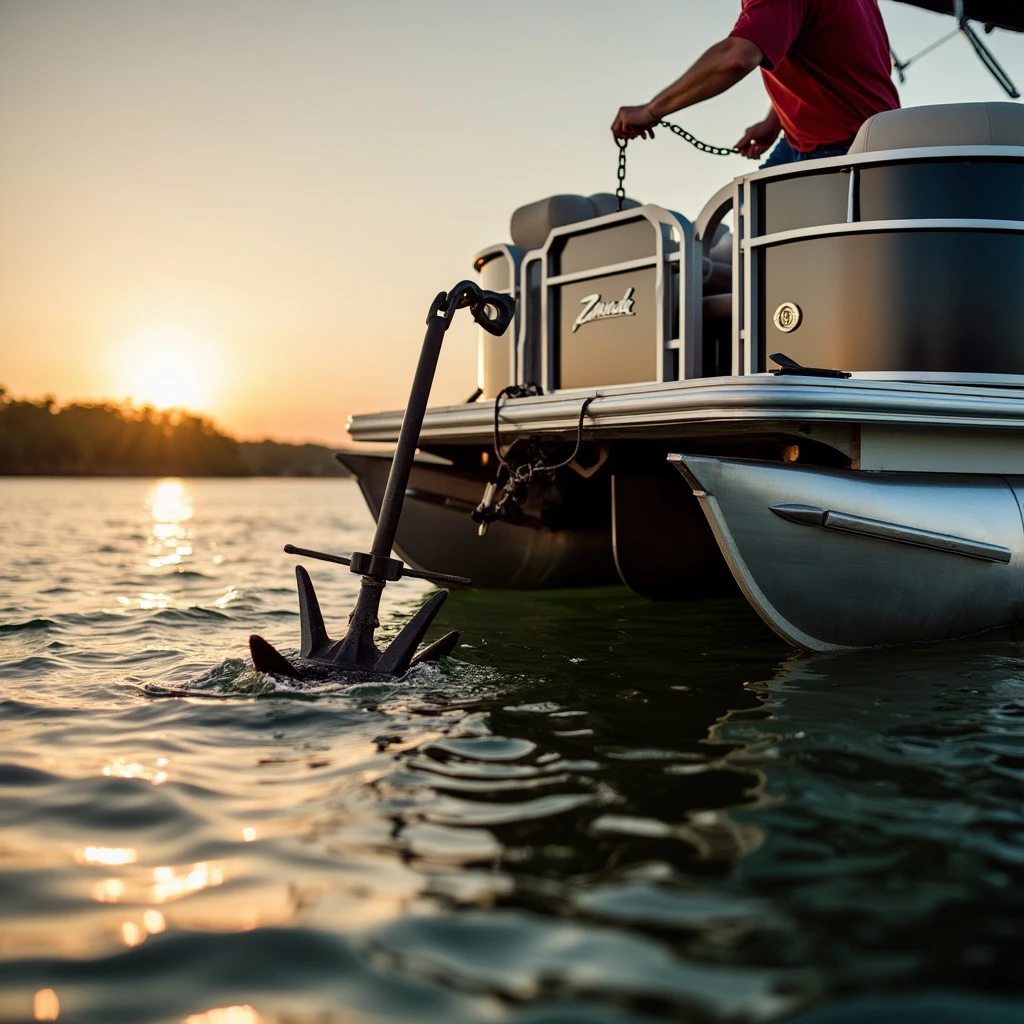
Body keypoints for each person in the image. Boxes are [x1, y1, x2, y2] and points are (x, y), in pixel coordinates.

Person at [611, 0, 900, 167]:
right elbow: (830, 61)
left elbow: (736, 58)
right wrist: (774, 122)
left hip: (837, 150)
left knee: (759, 258)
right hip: (862, 138)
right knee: (750, 230)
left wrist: (651, 110)